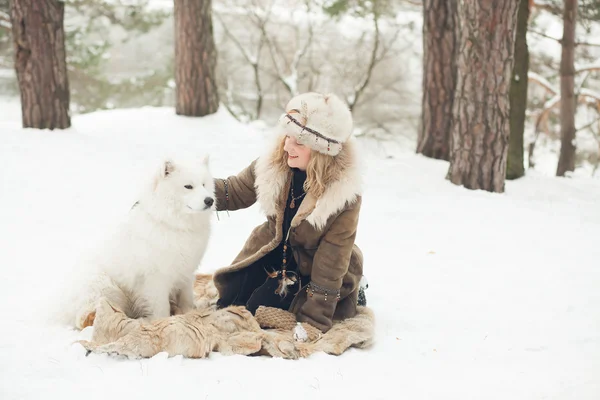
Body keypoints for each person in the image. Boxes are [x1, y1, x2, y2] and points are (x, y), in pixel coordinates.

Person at [212, 92, 365, 333]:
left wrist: (314, 322)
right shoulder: (274, 163)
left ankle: (357, 288)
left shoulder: (343, 197)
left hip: (314, 268)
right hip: (274, 254)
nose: (286, 146)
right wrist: (185, 191)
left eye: (299, 142)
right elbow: (234, 190)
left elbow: (331, 263)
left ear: (321, 150)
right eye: (287, 137)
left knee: (261, 313)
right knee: (232, 303)